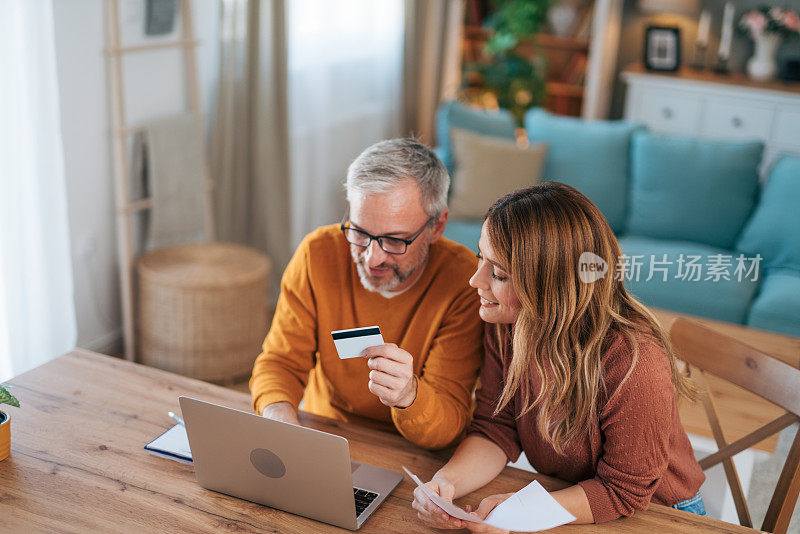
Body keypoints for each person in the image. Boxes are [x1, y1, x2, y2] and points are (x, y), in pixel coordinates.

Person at [412, 182, 706, 530]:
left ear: (550, 284)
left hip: (660, 515)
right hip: (576, 496)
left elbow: (625, 490)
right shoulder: (507, 324)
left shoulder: (633, 361)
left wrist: (527, 509)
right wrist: (445, 485)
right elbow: (496, 427)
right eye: (480, 257)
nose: (476, 280)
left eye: (499, 273)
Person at [249, 138, 483, 450]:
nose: (372, 259)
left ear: (436, 226)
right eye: (359, 233)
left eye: (395, 240)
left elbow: (448, 425)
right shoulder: (317, 254)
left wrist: (409, 395)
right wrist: (281, 422)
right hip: (326, 434)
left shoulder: (464, 283)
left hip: (413, 452)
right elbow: (280, 362)